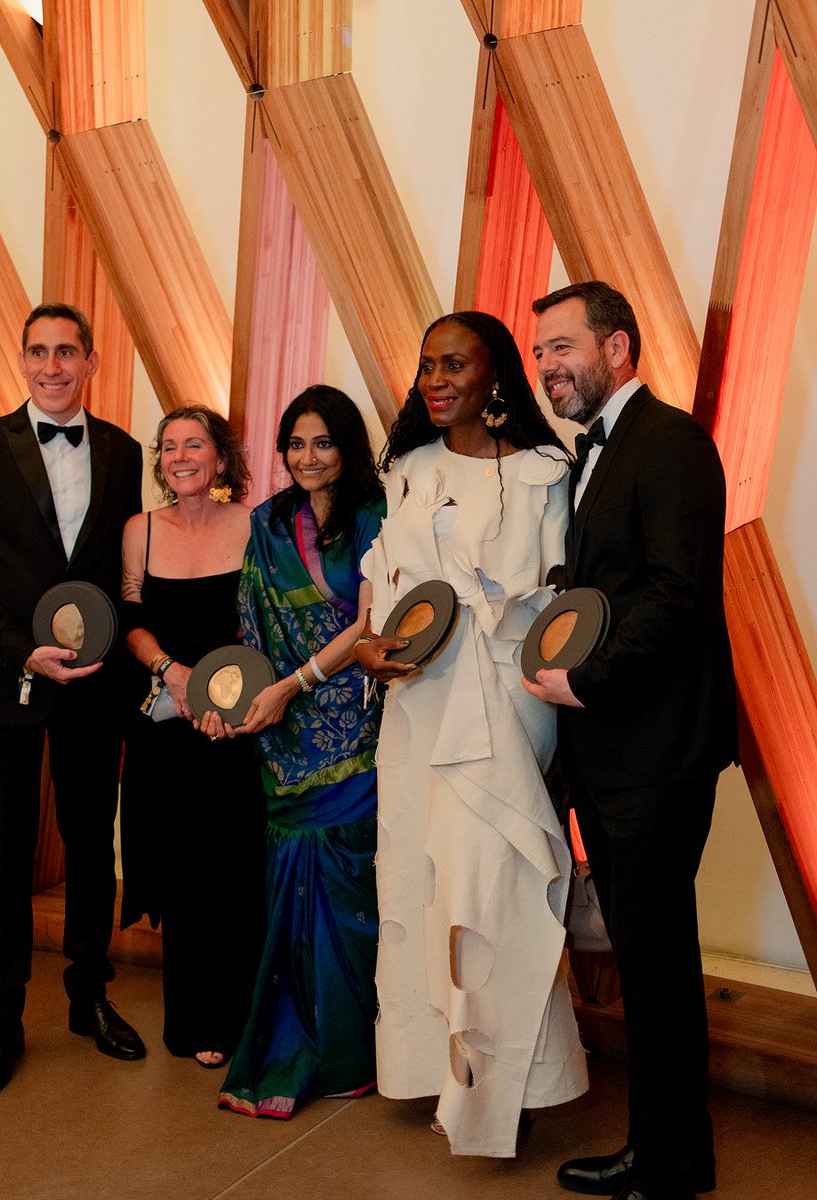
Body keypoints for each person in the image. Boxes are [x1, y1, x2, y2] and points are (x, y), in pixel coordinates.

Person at [355, 310, 589, 1158]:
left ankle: (504, 1088)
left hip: (502, 701)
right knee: (426, 889)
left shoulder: (543, 470)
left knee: (493, 891)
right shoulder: (408, 469)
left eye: (455, 364)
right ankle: (441, 1072)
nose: (436, 380)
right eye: (426, 367)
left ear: (496, 380)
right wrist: (376, 649)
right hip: (418, 705)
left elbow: (557, 600)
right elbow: (383, 587)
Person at [524, 281, 738, 1200]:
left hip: (654, 752)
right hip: (609, 753)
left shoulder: (673, 441)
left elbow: (677, 595)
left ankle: (670, 1163)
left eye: (562, 347)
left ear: (619, 348)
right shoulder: (592, 455)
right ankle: (663, 1151)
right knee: (647, 961)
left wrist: (586, 680)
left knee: (657, 964)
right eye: (539, 354)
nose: (547, 367)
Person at [0, 302, 146, 1100]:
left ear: (92, 361)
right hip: (5, 683)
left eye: (67, 352)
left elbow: (127, 575)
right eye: (39, 352)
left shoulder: (125, 453)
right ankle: (3, 1018)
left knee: (93, 845)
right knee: (4, 856)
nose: (52, 366)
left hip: (93, 691)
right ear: (22, 362)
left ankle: (90, 996)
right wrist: (23, 647)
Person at [216, 384, 386, 1118]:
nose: (307, 457)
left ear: (346, 446)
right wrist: (249, 697)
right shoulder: (267, 524)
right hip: (281, 734)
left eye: (321, 442)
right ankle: (291, 1043)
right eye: (295, 443)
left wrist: (296, 684)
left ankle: (350, 1052)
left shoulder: (378, 520)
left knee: (349, 888)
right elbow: (251, 620)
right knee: (287, 888)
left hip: (360, 728)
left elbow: (375, 621)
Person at [118, 406, 265, 1070]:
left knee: (235, 869)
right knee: (182, 873)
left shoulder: (253, 525)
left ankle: (242, 1018)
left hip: (237, 722)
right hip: (167, 727)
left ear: (221, 458)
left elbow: (262, 625)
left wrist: (235, 697)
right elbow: (131, 619)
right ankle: (192, 1019)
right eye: (169, 446)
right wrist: (169, 669)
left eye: (194, 445)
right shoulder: (140, 531)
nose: (180, 456)